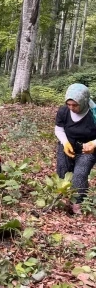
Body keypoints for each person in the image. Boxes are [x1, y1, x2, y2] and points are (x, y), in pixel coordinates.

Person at [55, 83, 96, 214]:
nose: (71, 108)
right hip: (67, 145)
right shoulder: (63, 111)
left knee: (80, 174)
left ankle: (77, 203)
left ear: (84, 101)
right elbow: (59, 128)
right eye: (69, 104)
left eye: (75, 105)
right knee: (63, 171)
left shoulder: (93, 114)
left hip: (87, 149)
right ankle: (64, 198)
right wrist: (65, 143)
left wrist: (94, 144)